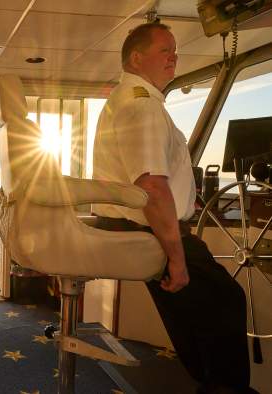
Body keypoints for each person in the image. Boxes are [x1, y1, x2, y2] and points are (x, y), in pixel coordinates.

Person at [92, 23, 254, 393]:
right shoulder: (142, 104)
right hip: (148, 231)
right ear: (136, 57)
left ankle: (211, 381)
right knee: (228, 301)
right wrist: (177, 258)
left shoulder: (125, 99)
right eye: (165, 50)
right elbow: (151, 186)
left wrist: (185, 197)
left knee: (195, 313)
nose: (174, 57)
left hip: (135, 227)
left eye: (175, 51)